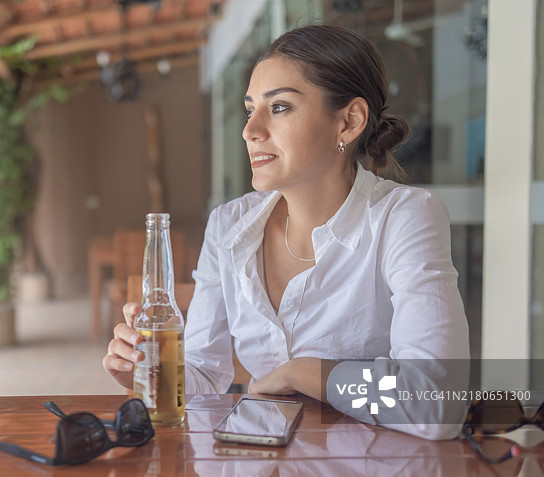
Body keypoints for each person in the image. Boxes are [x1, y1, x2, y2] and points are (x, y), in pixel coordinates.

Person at [102, 24, 470, 440]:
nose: (250, 130)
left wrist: (306, 372)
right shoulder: (229, 227)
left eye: (279, 107)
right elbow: (203, 375)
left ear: (349, 122)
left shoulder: (403, 217)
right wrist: (147, 373)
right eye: (249, 110)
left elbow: (440, 402)